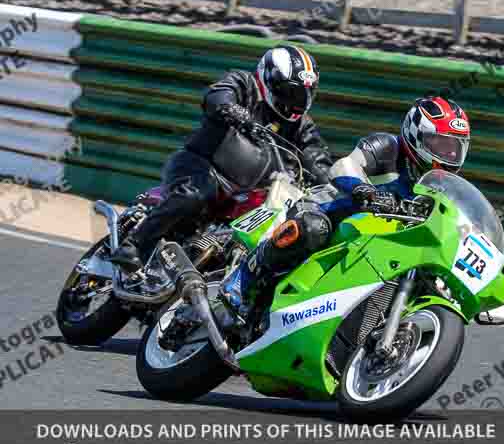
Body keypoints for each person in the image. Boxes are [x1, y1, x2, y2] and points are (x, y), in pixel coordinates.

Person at [222, 95, 471, 315]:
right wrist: (364, 190)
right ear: (417, 135)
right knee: (312, 228)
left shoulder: (441, 188)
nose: (448, 155)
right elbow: (344, 165)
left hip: (371, 242)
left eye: (454, 148)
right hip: (330, 210)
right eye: (441, 145)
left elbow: (453, 225)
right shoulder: (389, 147)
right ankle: (244, 276)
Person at [111, 46, 332, 270]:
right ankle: (135, 244)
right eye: (290, 92)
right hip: (202, 167)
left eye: (304, 95)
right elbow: (217, 96)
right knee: (197, 193)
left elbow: (316, 155)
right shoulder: (245, 84)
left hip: (245, 193)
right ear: (269, 80)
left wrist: (333, 183)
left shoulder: (301, 125)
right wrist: (231, 109)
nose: (296, 102)